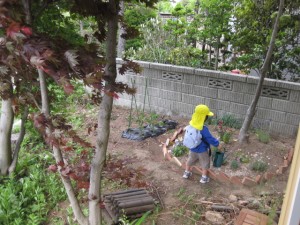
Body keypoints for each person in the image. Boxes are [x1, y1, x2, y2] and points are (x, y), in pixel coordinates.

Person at [182, 104, 220, 183]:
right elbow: (209, 139)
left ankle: (186, 173)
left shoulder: (191, 125)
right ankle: (204, 178)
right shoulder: (203, 128)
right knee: (205, 162)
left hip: (192, 148)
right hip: (202, 149)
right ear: (204, 118)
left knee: (190, 160)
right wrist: (217, 143)